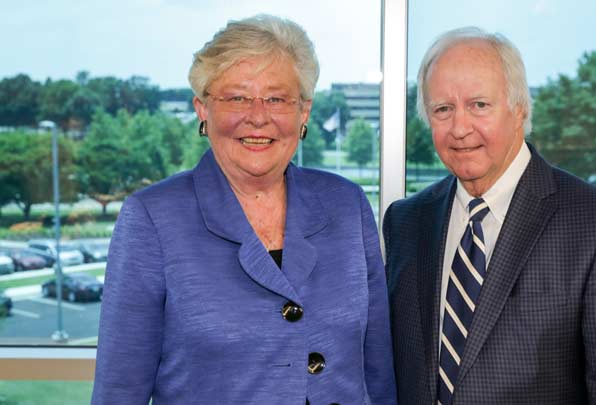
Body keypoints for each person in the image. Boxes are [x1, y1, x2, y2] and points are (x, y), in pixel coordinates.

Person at [92, 15, 396, 404]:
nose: (258, 116)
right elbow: (120, 390)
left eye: (276, 98)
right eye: (237, 97)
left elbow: (380, 375)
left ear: (303, 111)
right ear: (203, 109)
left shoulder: (347, 205)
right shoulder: (152, 218)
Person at [383, 27, 596, 404]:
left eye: (479, 105)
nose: (460, 127)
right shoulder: (406, 221)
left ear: (520, 108)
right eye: (443, 109)